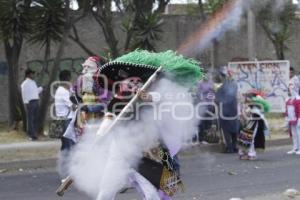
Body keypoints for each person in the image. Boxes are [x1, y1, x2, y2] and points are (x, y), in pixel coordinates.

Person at [237, 90, 270, 160]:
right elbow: (246, 114)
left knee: (251, 137)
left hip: (257, 121)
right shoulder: (249, 105)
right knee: (244, 136)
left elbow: (256, 112)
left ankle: (251, 154)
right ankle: (244, 152)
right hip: (252, 121)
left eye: (247, 97)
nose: (245, 98)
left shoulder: (256, 103)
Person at [215, 66, 239, 153]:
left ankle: (229, 147)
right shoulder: (235, 84)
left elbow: (217, 99)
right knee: (234, 128)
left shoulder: (221, 87)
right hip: (234, 109)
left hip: (225, 110)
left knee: (226, 129)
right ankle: (235, 146)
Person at [54, 70, 75, 151]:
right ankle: (69, 163)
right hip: (67, 121)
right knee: (70, 146)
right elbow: (73, 107)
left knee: (65, 146)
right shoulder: (64, 92)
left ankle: (63, 163)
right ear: (68, 78)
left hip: (62, 120)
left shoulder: (60, 90)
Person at [21, 68, 43, 140]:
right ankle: (30, 134)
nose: (33, 75)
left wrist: (42, 88)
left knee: (35, 119)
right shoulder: (24, 84)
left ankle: (34, 134)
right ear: (28, 75)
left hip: (36, 101)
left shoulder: (33, 82)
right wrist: (26, 102)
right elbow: (24, 94)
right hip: (30, 102)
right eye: (32, 73)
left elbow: (36, 91)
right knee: (30, 119)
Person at [196, 72, 215, 143]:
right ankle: (201, 139)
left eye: (207, 76)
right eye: (204, 76)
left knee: (209, 121)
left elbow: (214, 91)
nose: (206, 77)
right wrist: (204, 91)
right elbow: (198, 93)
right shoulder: (200, 83)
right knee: (202, 122)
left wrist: (212, 89)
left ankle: (208, 137)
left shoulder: (211, 83)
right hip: (202, 105)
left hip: (210, 105)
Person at [285, 83, 300, 155]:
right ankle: (295, 147)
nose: (290, 90)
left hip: (297, 118)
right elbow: (287, 109)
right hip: (291, 119)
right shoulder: (288, 99)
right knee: (293, 134)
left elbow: (299, 110)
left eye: (292, 89)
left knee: (298, 133)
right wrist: (287, 117)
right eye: (289, 89)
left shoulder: (298, 99)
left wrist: (299, 118)